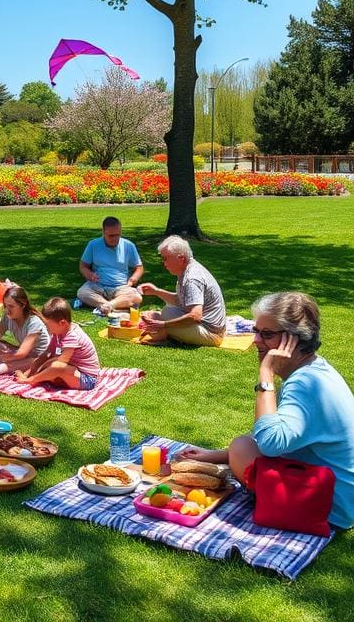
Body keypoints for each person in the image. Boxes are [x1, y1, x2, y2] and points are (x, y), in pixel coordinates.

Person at [176, 292, 354, 529]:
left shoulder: (304, 384)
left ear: (295, 339)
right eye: (256, 331)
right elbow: (276, 434)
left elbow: (270, 443)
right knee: (242, 446)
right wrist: (215, 455)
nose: (256, 341)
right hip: (340, 496)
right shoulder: (314, 369)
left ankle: (277, 505)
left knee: (242, 447)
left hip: (329, 507)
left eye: (267, 334)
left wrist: (266, 375)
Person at [137, 235, 226, 346]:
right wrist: (156, 291)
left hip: (211, 335)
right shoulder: (188, 270)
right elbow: (181, 300)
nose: (163, 263)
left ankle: (163, 337)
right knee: (161, 313)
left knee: (164, 314)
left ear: (181, 258)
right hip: (209, 328)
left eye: (165, 258)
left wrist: (163, 324)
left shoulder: (191, 279)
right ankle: (163, 333)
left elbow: (195, 316)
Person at [16, 297, 101, 390]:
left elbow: (60, 364)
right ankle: (34, 378)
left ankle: (33, 380)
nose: (47, 328)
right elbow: (47, 354)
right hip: (74, 371)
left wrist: (32, 378)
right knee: (48, 362)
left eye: (48, 325)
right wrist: (28, 373)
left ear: (62, 323)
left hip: (88, 379)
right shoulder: (58, 333)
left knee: (56, 366)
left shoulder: (72, 336)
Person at [77, 216, 143, 314]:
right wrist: (89, 274)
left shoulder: (128, 245)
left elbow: (139, 268)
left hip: (121, 287)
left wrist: (133, 279)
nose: (115, 239)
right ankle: (113, 306)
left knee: (137, 297)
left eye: (118, 235)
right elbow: (83, 266)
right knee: (82, 292)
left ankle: (108, 306)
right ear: (103, 233)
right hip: (97, 285)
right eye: (111, 236)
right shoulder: (93, 245)